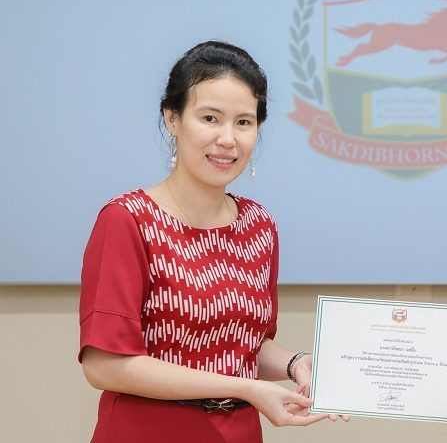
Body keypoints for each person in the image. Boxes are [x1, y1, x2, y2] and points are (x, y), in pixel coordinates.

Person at [78, 41, 344, 443]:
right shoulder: (128, 219)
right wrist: (244, 388)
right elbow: (104, 365)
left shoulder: (259, 225)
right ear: (172, 119)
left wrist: (296, 363)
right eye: (209, 118)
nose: (228, 139)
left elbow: (242, 345)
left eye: (244, 122)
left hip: (238, 432)